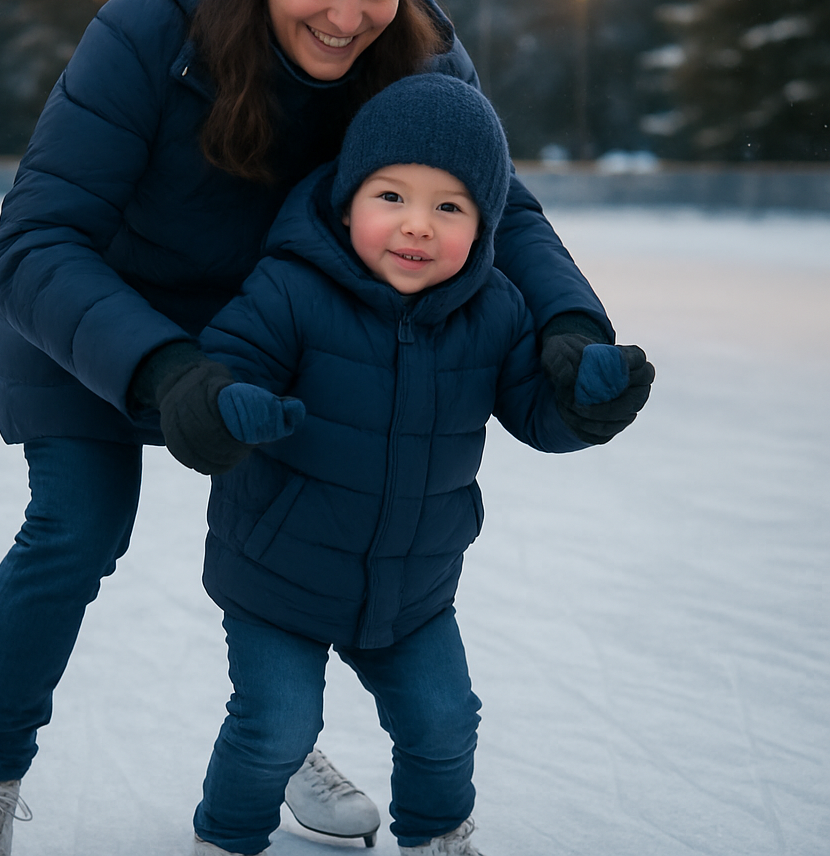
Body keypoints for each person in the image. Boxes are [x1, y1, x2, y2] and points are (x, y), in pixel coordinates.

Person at [0, 0, 651, 853]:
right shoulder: (150, 30)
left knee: (311, 525)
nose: (348, 17)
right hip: (96, 312)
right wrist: (160, 363)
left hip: (272, 317)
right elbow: (38, 238)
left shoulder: (418, 48)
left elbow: (502, 208)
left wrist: (571, 326)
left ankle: (282, 741)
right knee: (75, 530)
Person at [188, 73, 654, 856]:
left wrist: (584, 403)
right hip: (279, 575)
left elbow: (535, 413)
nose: (417, 227)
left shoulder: (497, 309)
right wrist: (230, 403)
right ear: (347, 201)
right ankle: (228, 839)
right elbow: (228, 361)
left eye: (449, 207)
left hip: (414, 587)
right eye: (391, 197)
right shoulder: (292, 288)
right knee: (275, 727)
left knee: (444, 720)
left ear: (485, 224)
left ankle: (439, 838)